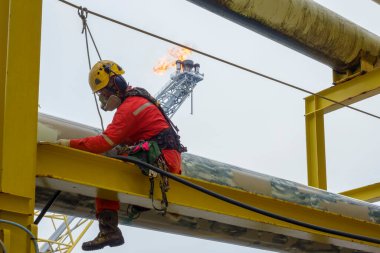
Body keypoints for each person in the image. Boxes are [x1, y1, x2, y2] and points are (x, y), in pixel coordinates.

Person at [55, 60, 184, 251]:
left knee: (105, 164)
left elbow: (104, 142)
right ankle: (139, 207)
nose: (103, 97)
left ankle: (108, 230)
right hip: (166, 162)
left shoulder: (130, 107)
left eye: (103, 92)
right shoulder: (139, 100)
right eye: (100, 94)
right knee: (119, 151)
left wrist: (68, 144)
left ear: (117, 84)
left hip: (160, 162)